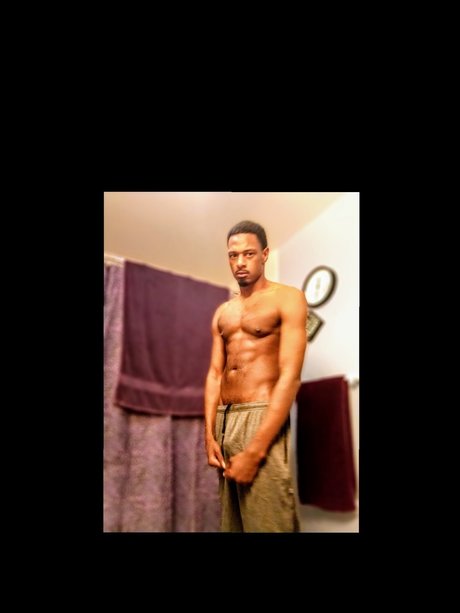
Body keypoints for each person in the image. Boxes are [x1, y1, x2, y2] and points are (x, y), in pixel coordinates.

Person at [205, 220, 308, 532]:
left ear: (264, 254)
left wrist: (255, 451)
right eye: (233, 255)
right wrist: (209, 434)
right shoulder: (223, 312)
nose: (240, 262)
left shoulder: (287, 297)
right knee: (232, 524)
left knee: (269, 523)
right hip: (225, 419)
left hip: (261, 415)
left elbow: (290, 376)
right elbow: (214, 374)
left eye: (248, 254)